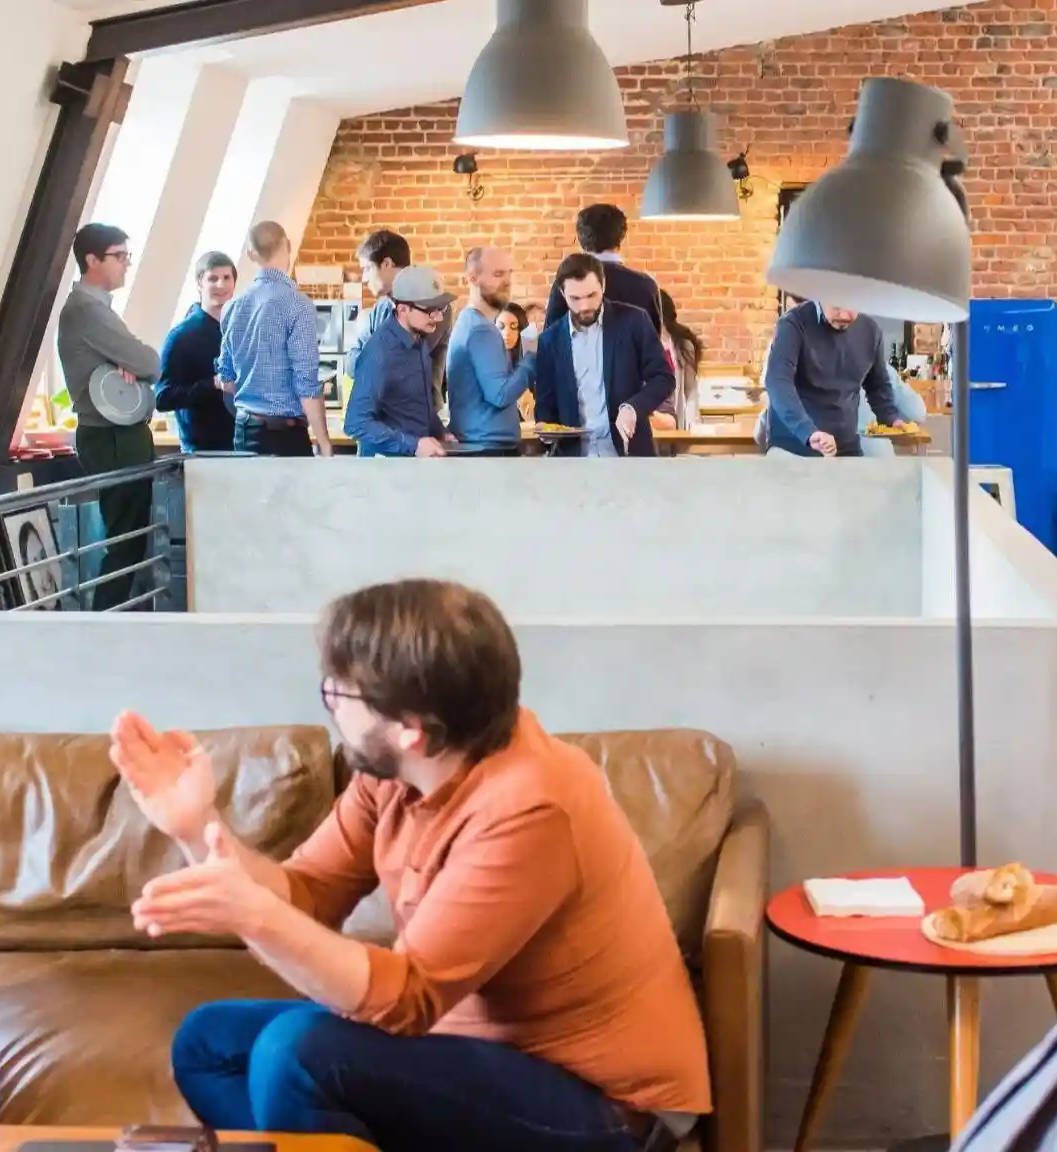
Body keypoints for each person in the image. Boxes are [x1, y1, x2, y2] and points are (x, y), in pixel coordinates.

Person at [112, 579, 711, 1151]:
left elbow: (407, 999)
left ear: (410, 731)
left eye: (338, 693)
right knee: (208, 1044)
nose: (329, 706)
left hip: (604, 1105)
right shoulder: (400, 773)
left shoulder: (531, 806)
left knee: (295, 1053)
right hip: (473, 1049)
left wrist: (255, 918)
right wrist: (197, 824)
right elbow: (307, 892)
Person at [58, 222, 161, 610]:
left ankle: (117, 621)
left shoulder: (96, 310)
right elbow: (149, 361)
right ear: (91, 260)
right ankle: (105, 622)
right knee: (126, 542)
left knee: (133, 540)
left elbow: (139, 364)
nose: (126, 265)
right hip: (112, 437)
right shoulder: (87, 311)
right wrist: (131, 363)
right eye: (119, 257)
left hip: (119, 434)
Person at [531, 254, 674, 458]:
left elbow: (663, 378)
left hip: (628, 455)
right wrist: (545, 427)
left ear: (603, 285)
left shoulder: (635, 322)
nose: (584, 306)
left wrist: (632, 408)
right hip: (573, 460)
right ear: (562, 293)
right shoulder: (549, 341)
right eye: (575, 298)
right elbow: (545, 405)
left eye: (591, 295)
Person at [217, 221, 331, 456]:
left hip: (244, 431)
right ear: (287, 246)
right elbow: (306, 384)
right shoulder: (298, 305)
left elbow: (227, 381)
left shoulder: (232, 307)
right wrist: (324, 442)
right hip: (285, 436)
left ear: (250, 254)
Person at [759, 301, 904, 457]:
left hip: (846, 447)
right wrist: (808, 432)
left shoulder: (871, 330)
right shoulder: (793, 324)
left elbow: (878, 385)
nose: (845, 315)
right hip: (793, 446)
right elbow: (778, 382)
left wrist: (890, 418)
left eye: (852, 305)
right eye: (837, 304)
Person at [344, 266, 457, 458]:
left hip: (414, 467)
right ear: (403, 309)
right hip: (385, 471)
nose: (438, 317)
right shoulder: (380, 353)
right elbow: (356, 423)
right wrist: (413, 445)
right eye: (430, 310)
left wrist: (440, 432)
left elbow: (416, 403)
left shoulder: (419, 339)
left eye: (441, 308)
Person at [446, 247, 534, 456]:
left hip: (478, 445)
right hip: (486, 450)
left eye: (509, 273)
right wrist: (532, 360)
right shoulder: (481, 329)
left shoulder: (470, 322)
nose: (507, 281)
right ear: (472, 278)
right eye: (497, 274)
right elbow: (500, 395)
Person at [346, 229, 451, 393]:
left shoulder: (435, 305)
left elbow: (399, 364)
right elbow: (350, 363)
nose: (364, 279)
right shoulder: (380, 308)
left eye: (367, 269)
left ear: (386, 264)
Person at [156, 251, 238, 453]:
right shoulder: (181, 336)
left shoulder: (242, 330)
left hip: (242, 447)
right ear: (199, 284)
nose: (221, 285)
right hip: (202, 453)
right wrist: (214, 384)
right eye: (213, 278)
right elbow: (162, 397)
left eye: (226, 278)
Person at [543, 204, 661, 329]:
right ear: (621, 237)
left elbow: (550, 339)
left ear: (580, 238)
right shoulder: (645, 285)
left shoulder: (567, 282)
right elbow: (654, 342)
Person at [649, 290, 702, 432]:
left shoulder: (682, 346)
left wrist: (692, 427)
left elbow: (691, 390)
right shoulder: (641, 343)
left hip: (673, 419)